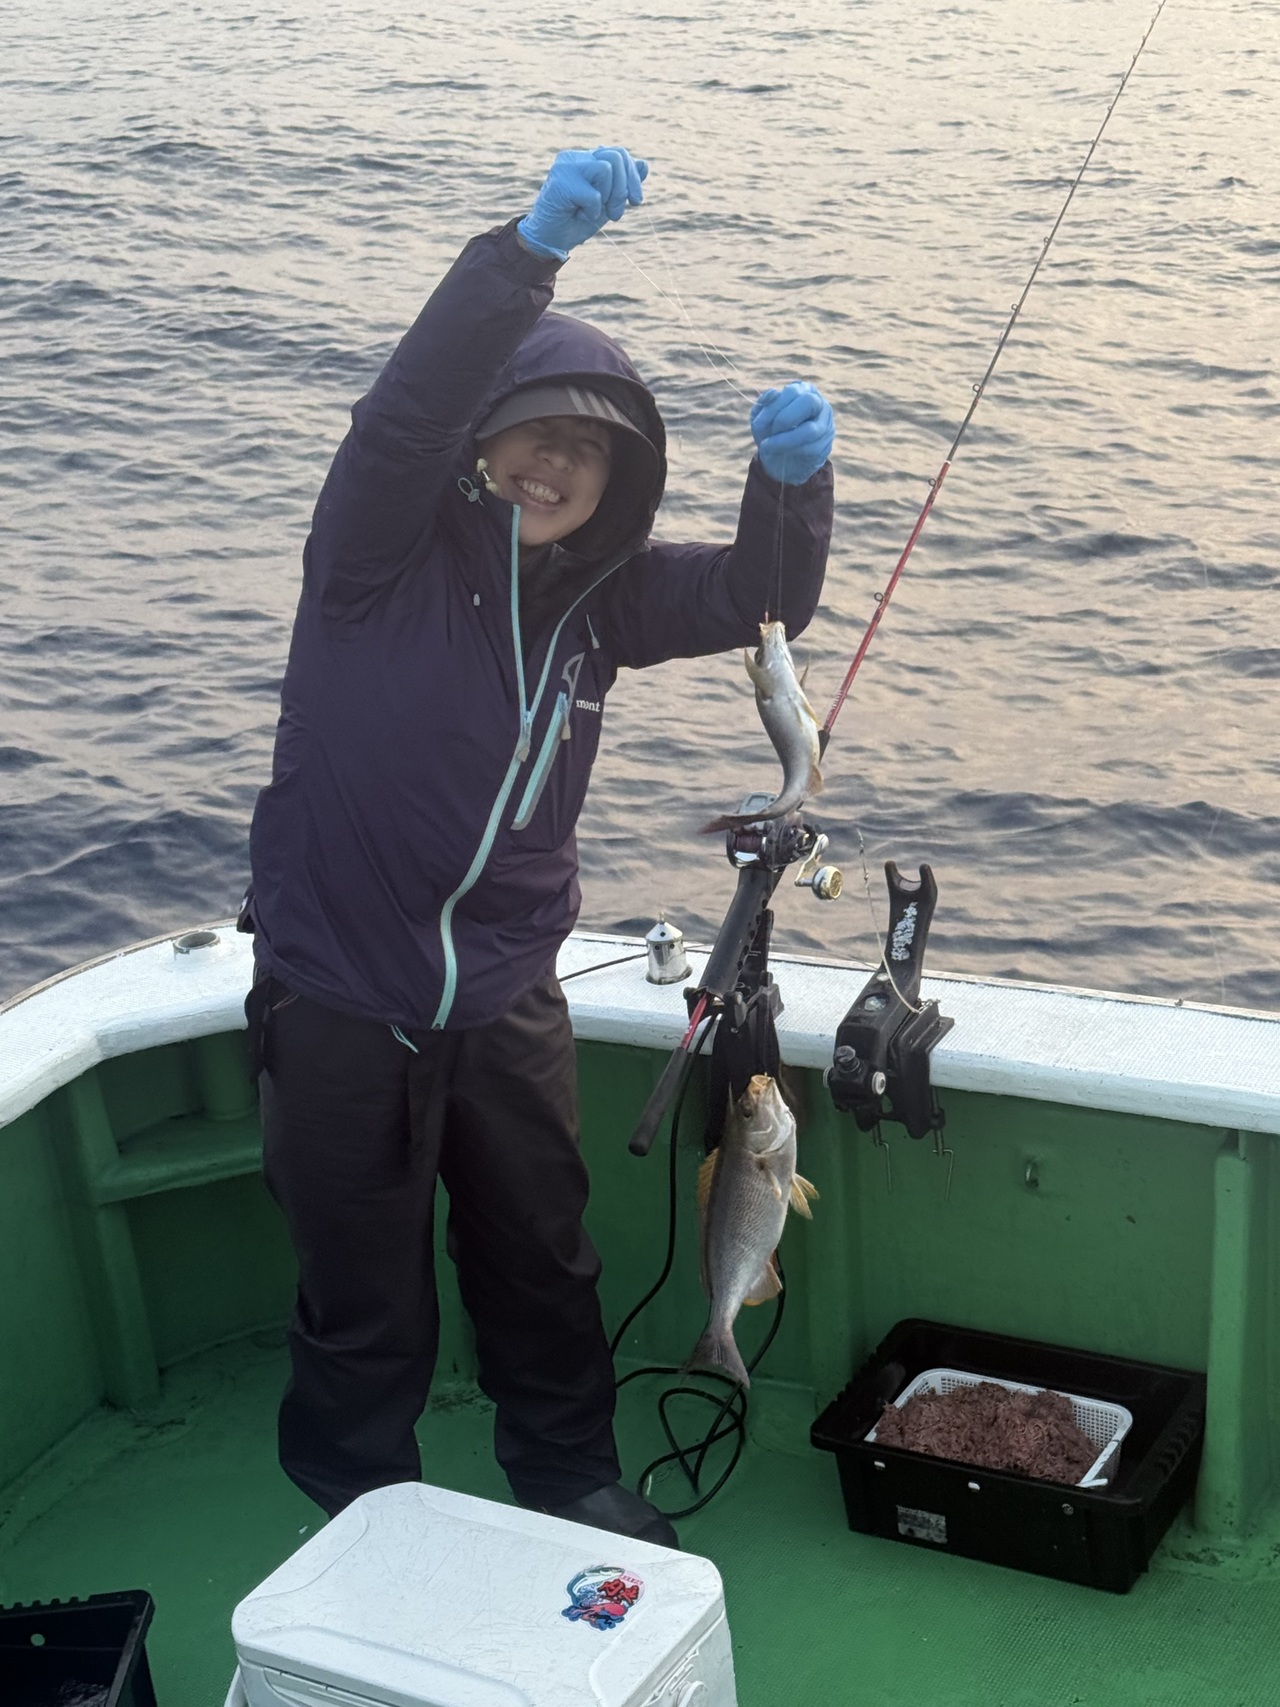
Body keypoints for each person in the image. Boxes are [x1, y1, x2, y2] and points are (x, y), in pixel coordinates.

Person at [242, 146, 836, 1546]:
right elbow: (401, 417)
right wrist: (525, 254)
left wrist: (789, 490)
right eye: (534, 434)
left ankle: (567, 1472)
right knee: (361, 1282)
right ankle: (360, 1508)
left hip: (508, 993)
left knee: (542, 1257)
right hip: (341, 992)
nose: (557, 464)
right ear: (480, 443)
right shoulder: (373, 557)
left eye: (591, 451)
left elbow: (756, 601)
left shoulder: (600, 606)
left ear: (616, 488)